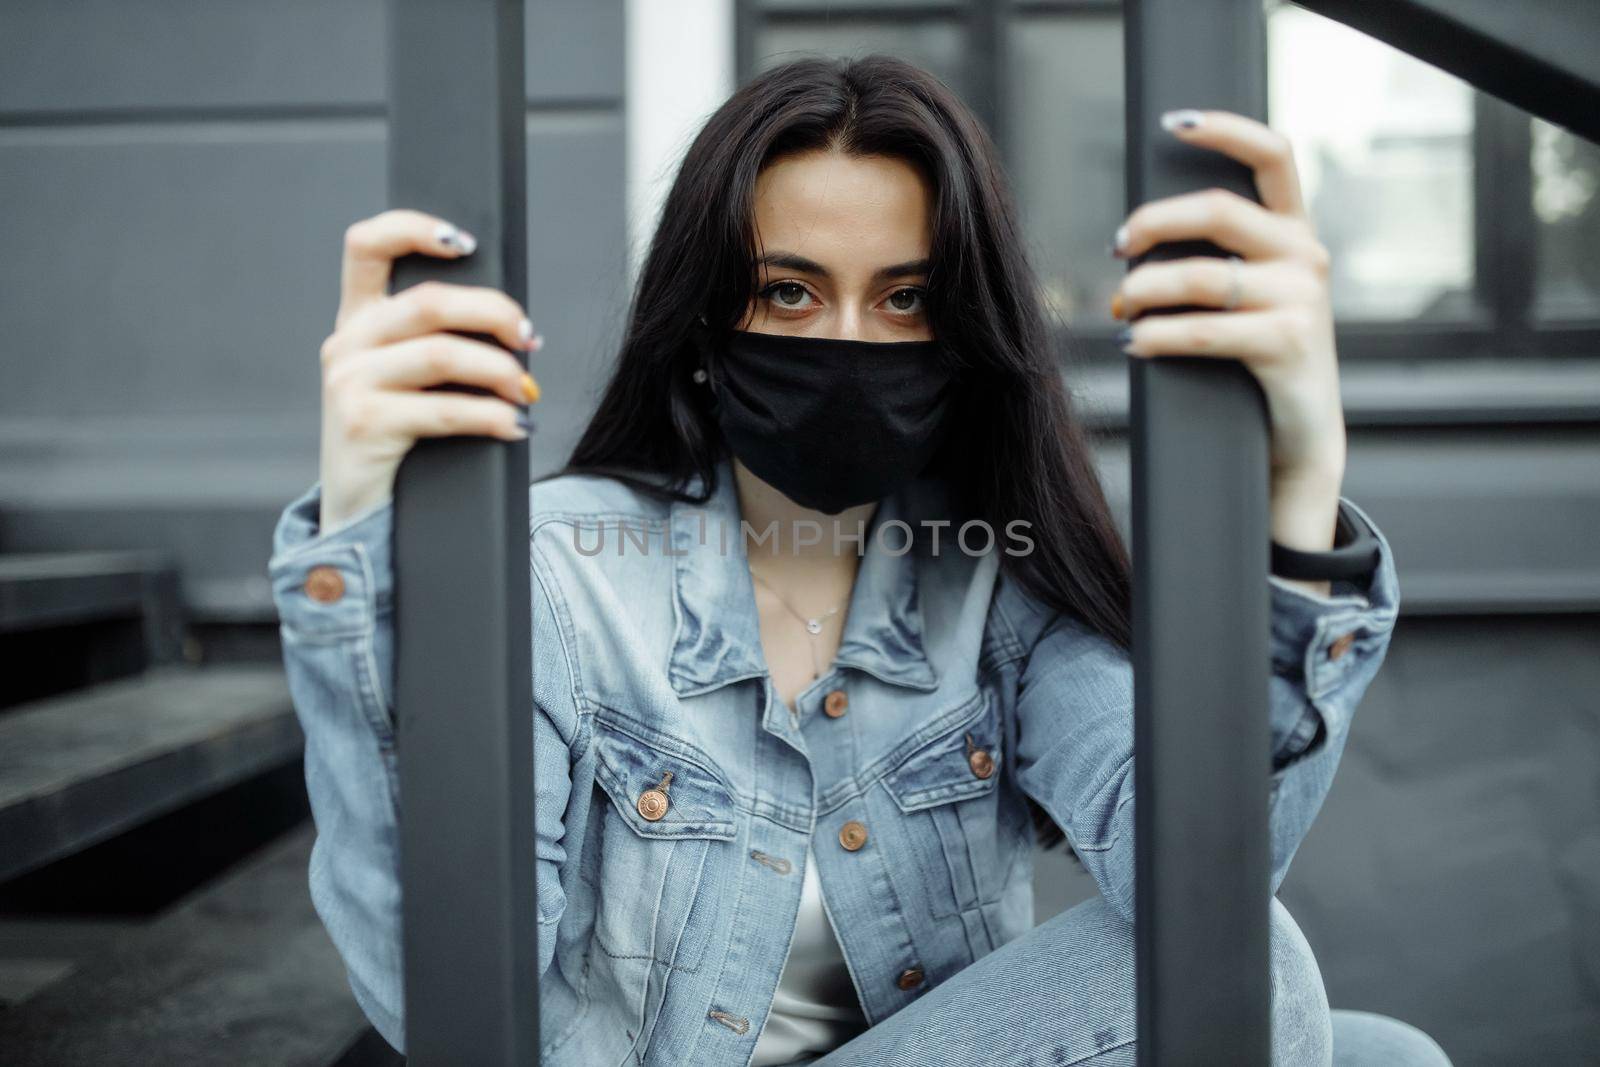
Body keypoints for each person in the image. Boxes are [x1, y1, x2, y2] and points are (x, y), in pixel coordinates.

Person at [268, 55, 1451, 1066]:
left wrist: (1295, 492)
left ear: (967, 335)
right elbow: (441, 996)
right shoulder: (560, 571)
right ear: (696, 330)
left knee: (1386, 1053)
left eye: (905, 299)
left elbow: (1200, 860)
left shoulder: (997, 573)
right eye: (787, 291)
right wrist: (359, 531)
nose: (846, 340)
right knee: (1272, 977)